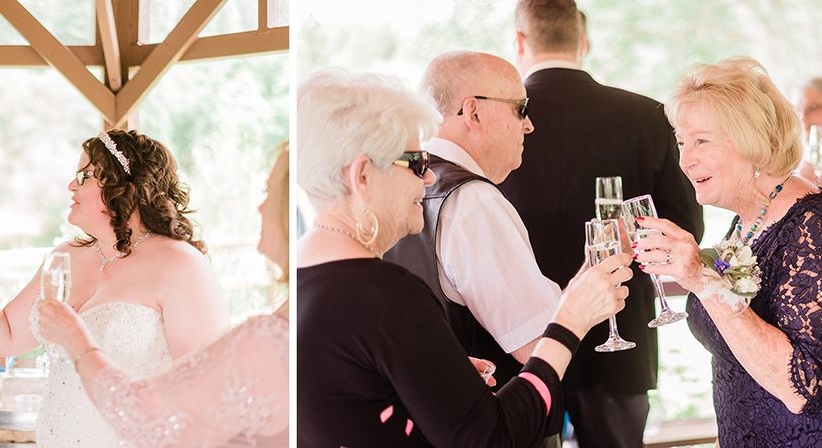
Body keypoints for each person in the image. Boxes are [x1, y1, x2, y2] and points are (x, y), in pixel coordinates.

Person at [296, 69, 633, 447]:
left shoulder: (302, 282)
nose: (427, 180)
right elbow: (492, 438)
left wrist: (440, 379)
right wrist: (570, 320)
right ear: (363, 176)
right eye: (418, 163)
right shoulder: (388, 295)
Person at [637, 57, 822, 447]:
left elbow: (798, 386)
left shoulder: (818, 225)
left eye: (701, 141)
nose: (685, 160)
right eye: (681, 142)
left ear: (750, 139)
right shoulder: (745, 221)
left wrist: (700, 278)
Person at [0, 128, 230, 446]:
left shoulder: (179, 264)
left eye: (84, 176)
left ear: (127, 188)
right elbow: (6, 335)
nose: (72, 186)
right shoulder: (65, 257)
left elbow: (205, 390)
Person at [502, 3, 705, 445]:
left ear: (519, 43)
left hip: (522, 345)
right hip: (622, 337)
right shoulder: (646, 115)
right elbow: (685, 229)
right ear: (584, 40)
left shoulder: (498, 122)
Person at [30, 144, 292, 447]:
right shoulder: (71, 254)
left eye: (269, 194)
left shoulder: (268, 336)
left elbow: (150, 418)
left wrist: (78, 341)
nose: (260, 208)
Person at [383, 50, 561, 391]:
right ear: (473, 112)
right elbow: (537, 344)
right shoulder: (473, 202)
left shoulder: (395, 183)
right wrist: (589, 294)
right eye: (520, 108)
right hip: (494, 420)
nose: (528, 124)